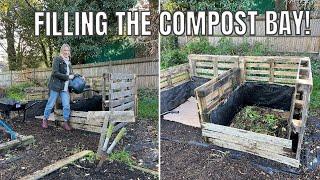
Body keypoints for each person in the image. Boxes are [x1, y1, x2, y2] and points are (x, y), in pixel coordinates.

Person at [42, 44, 74, 131]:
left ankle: (65, 122)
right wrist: (67, 77)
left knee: (66, 105)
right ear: (62, 51)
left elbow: (71, 74)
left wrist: (79, 76)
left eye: (68, 51)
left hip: (64, 88)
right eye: (65, 50)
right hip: (56, 86)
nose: (66, 52)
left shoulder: (69, 63)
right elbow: (55, 73)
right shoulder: (57, 59)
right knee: (50, 104)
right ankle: (45, 119)